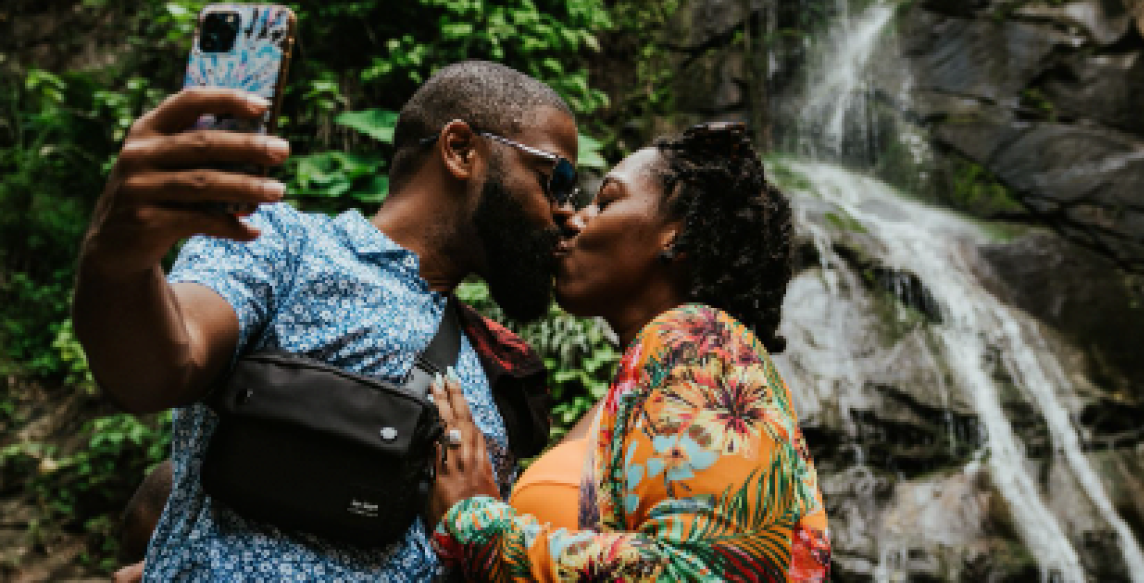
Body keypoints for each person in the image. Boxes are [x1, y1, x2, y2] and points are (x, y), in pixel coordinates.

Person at [74, 61, 578, 580]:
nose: (566, 211)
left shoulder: (499, 367)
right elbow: (159, 368)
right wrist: (117, 256)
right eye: (557, 179)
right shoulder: (280, 245)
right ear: (460, 150)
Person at [425, 122, 832, 581]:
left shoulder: (699, 339)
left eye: (606, 201)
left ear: (676, 234)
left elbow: (710, 570)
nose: (572, 218)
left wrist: (474, 524)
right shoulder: (647, 383)